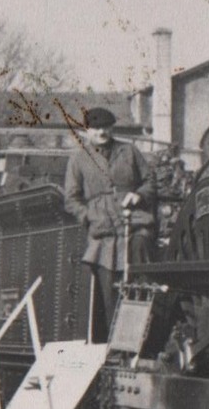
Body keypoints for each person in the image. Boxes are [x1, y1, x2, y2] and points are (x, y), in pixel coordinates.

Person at [62, 107, 156, 343]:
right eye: (96, 128)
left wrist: (139, 195)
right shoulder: (78, 158)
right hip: (102, 230)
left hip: (132, 221)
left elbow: (149, 181)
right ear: (86, 131)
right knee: (108, 290)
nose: (101, 132)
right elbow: (71, 199)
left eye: (106, 127)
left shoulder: (129, 151)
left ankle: (143, 339)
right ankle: (113, 344)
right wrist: (90, 216)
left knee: (138, 275)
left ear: (112, 128)